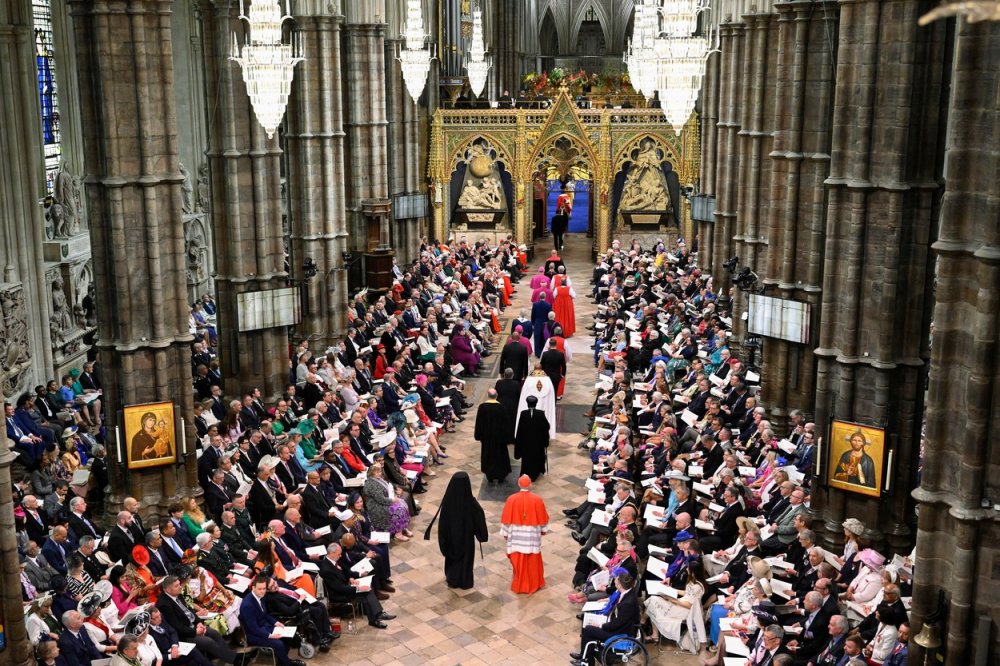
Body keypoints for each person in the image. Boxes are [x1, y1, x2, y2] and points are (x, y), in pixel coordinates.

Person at [424, 471, 488, 589]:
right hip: (466, 539)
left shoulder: (448, 502)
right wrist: (481, 535)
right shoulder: (471, 503)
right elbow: (479, 519)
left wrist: (443, 541)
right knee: (466, 561)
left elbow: (442, 524)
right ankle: (465, 581)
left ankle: (452, 579)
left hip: (451, 539)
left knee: (452, 560)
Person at [239, 575, 306, 666]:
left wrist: (276, 622)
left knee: (288, 637)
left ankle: (282, 662)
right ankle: (288, 664)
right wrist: (270, 635)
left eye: (264, 589)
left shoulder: (261, 596)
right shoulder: (248, 605)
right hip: (254, 634)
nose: (262, 591)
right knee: (279, 644)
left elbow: (265, 614)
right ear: (253, 588)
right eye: (260, 589)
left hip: (265, 626)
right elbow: (253, 628)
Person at [499, 475, 549, 594]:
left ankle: (519, 584)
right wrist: (543, 530)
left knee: (518, 562)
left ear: (518, 484)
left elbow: (506, 520)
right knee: (532, 563)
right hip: (531, 537)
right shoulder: (537, 500)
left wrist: (505, 533)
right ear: (530, 484)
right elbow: (543, 520)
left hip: (516, 536)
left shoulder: (511, 499)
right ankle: (533, 584)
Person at [475, 389, 512, 484]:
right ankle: (501, 476)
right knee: (501, 456)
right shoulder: (502, 407)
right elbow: (506, 424)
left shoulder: (482, 407)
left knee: (488, 456)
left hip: (487, 438)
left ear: (488, 395)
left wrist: (478, 436)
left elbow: (479, 423)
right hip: (500, 439)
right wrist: (507, 438)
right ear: (497, 395)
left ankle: (489, 475)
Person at [514, 395, 550, 481]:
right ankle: (536, 472)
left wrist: (518, 442)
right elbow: (546, 426)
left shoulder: (523, 414)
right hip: (537, 442)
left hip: (526, 442)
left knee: (526, 459)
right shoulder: (540, 413)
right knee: (537, 457)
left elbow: (520, 429)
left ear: (527, 403)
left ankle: (526, 473)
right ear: (536, 403)